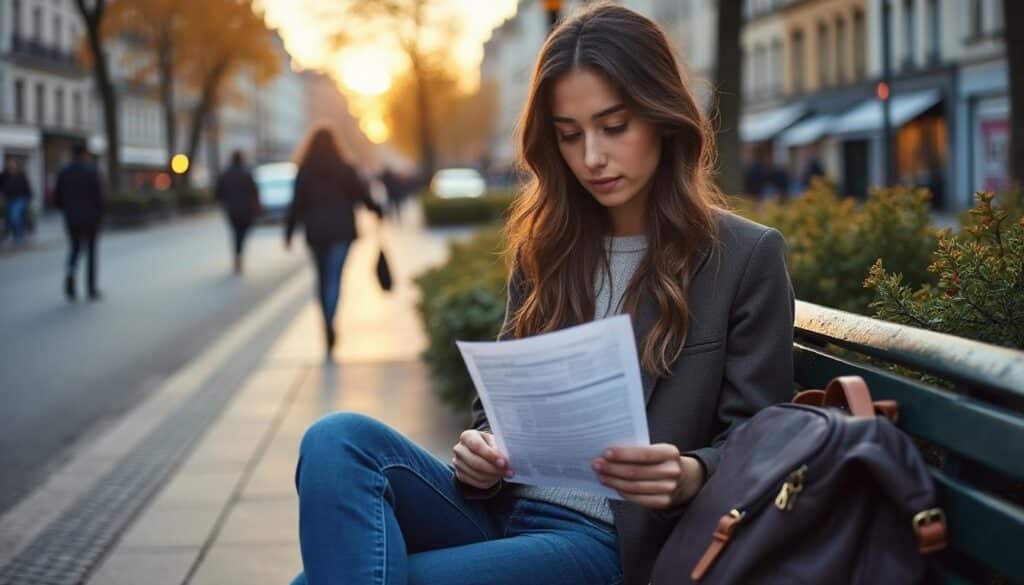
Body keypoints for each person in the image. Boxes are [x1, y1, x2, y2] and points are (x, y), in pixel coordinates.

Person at [289, 4, 794, 585]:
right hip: (501, 511)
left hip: (611, 540)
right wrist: (480, 450)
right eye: (570, 136)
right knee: (336, 441)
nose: (592, 158)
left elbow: (761, 441)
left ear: (662, 117)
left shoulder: (743, 256)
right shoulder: (546, 248)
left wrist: (689, 473)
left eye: (614, 126)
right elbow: (495, 412)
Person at [284, 127, 384, 354]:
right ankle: (332, 317)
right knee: (335, 278)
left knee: (320, 278)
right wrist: (377, 210)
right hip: (341, 232)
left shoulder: (305, 171)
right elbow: (362, 195)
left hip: (316, 233)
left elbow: (296, 204)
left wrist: (289, 233)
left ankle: (326, 321)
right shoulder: (345, 169)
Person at [55, 144, 105, 301]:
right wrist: (101, 215)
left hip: (72, 218)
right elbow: (100, 197)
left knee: (75, 249)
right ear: (85, 155)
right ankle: (91, 289)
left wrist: (67, 210)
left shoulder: (64, 173)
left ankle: (70, 273)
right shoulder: (92, 172)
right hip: (91, 218)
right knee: (91, 253)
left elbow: (57, 198)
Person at [215, 151, 261, 274]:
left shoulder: (225, 174)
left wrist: (225, 204)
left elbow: (218, 193)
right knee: (242, 234)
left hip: (232, 210)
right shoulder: (246, 173)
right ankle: (239, 254)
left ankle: (237, 254)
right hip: (246, 210)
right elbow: (255, 192)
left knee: (235, 233)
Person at [0, 157, 33, 243]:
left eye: (13, 163)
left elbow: (27, 186)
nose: (12, 165)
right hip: (8, 199)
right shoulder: (4, 174)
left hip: (20, 198)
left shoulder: (21, 174)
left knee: (15, 216)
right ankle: (16, 234)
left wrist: (29, 198)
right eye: (10, 163)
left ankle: (18, 236)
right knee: (11, 218)